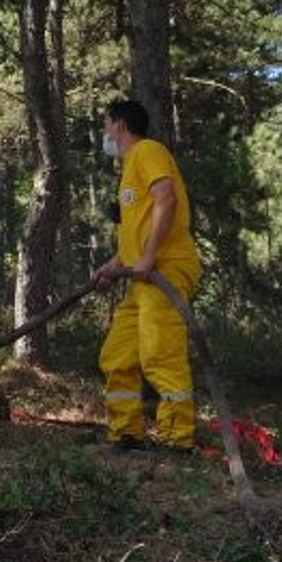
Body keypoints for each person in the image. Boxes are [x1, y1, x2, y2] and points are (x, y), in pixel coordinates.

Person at [94, 98, 202, 452]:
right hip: (143, 277)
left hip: (166, 270)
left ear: (120, 126)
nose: (104, 133)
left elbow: (166, 200)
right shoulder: (129, 168)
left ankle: (177, 440)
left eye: (106, 125)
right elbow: (139, 229)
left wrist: (149, 255)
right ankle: (126, 433)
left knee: (160, 354)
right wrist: (117, 264)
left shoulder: (147, 151)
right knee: (118, 355)